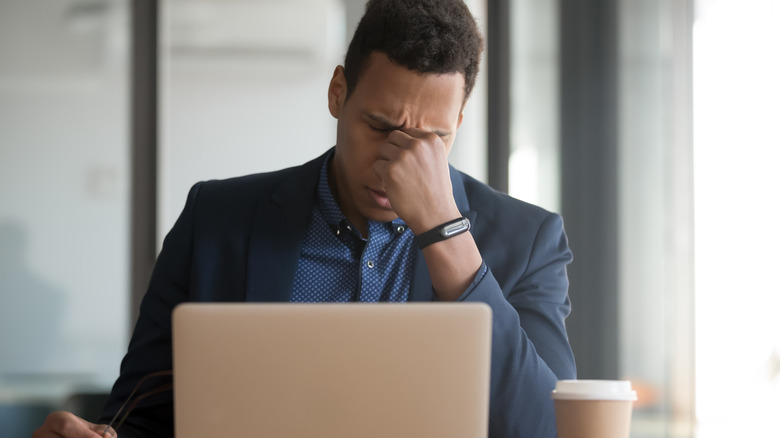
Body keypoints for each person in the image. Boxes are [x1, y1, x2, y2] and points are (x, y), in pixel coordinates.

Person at [33, 0, 576, 436]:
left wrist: (443, 230)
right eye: (380, 125)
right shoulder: (217, 219)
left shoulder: (528, 241)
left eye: (433, 138)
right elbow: (142, 416)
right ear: (338, 92)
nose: (397, 163)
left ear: (458, 120)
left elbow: (548, 428)